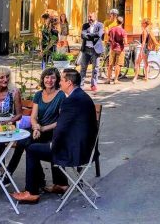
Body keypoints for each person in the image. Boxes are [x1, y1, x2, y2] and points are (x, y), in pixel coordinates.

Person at [12, 69, 98, 203]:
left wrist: (53, 144)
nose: (60, 82)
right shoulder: (81, 96)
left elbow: (61, 128)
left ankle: (31, 192)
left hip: (75, 151)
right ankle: (61, 184)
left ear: (69, 83)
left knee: (32, 149)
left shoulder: (71, 100)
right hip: (86, 148)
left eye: (62, 80)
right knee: (34, 144)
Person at [7, 67, 64, 179]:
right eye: (47, 77)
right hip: (38, 129)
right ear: (43, 79)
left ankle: (39, 178)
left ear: (57, 80)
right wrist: (36, 127)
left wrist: (43, 129)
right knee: (22, 141)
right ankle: (8, 173)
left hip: (53, 132)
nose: (49, 80)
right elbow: (33, 116)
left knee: (30, 147)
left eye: (53, 78)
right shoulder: (38, 94)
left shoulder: (61, 95)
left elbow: (61, 120)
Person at [80, 12, 104, 91]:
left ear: (95, 17)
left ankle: (93, 85)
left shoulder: (100, 25)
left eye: (91, 17)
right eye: (88, 17)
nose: (89, 19)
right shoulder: (85, 25)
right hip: (86, 49)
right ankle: (81, 85)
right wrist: (92, 35)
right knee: (83, 67)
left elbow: (98, 35)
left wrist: (88, 35)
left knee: (95, 68)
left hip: (95, 50)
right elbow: (82, 35)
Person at [107, 16, 127, 85]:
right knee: (118, 65)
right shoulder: (123, 31)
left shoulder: (112, 29)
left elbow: (108, 37)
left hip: (112, 48)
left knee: (110, 64)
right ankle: (115, 79)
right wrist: (125, 44)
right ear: (122, 22)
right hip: (120, 49)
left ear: (116, 21)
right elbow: (125, 41)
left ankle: (108, 79)